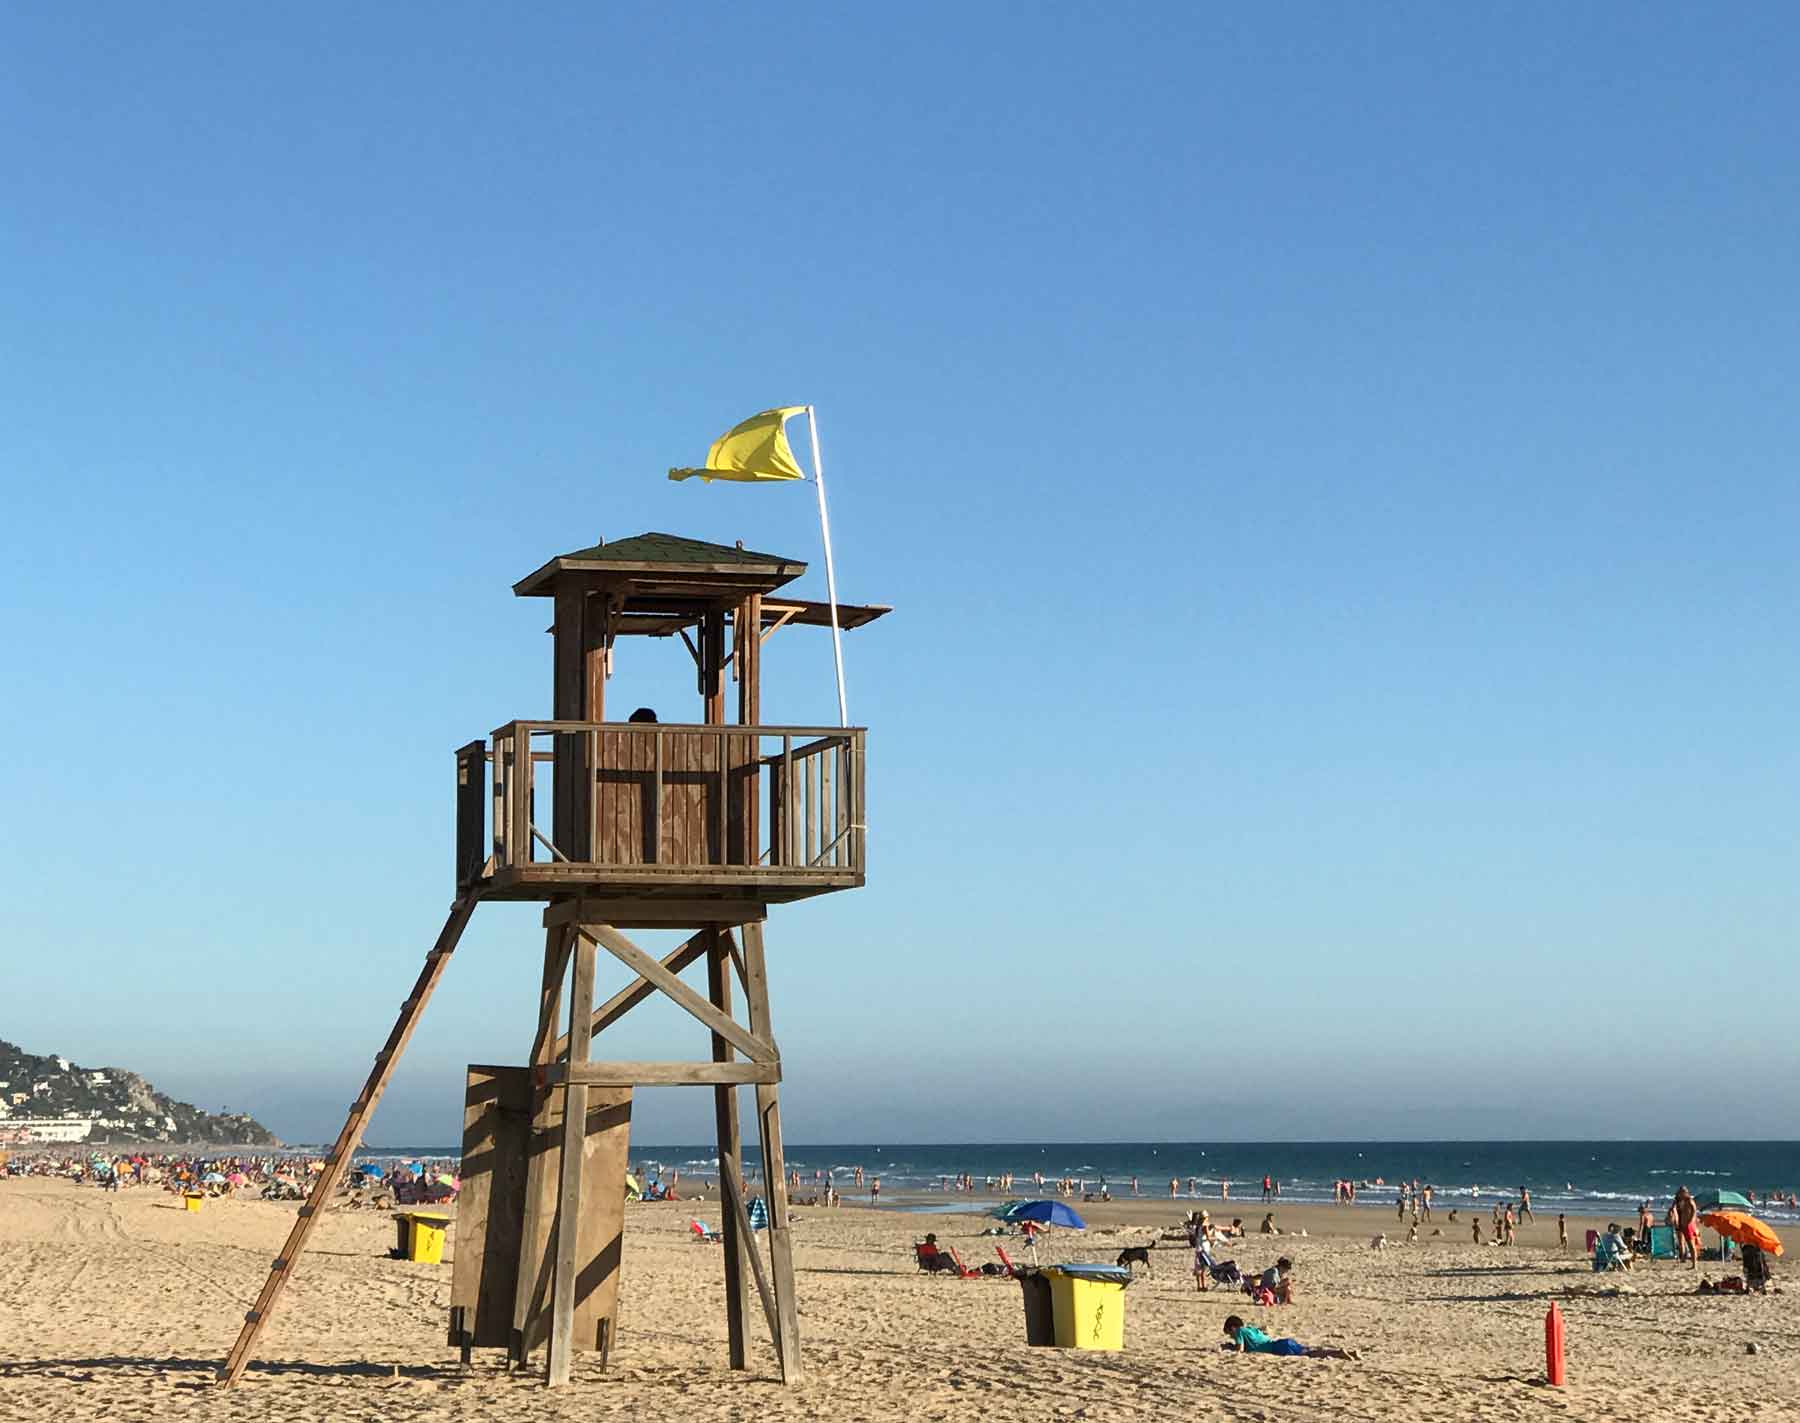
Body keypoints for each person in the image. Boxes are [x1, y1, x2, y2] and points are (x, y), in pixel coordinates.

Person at [1222, 1315, 1359, 1361]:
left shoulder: (1239, 1331)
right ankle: (1349, 1353)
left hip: (1278, 1348)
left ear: (1233, 1328)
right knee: (1309, 1350)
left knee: (1311, 1354)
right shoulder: (1251, 1328)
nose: (1232, 1337)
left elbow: (1240, 1349)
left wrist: (1229, 1347)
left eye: (1230, 1334)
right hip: (1281, 1342)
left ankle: (1339, 1353)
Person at [1674, 1186, 1700, 1270]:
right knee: (1689, 1244)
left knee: (1691, 1245)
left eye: (1681, 1192)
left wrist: (1690, 1221)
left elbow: (1694, 1210)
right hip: (1685, 1225)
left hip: (1689, 1225)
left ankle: (1694, 1265)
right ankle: (1693, 1264)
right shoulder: (1683, 1201)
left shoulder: (1689, 1200)